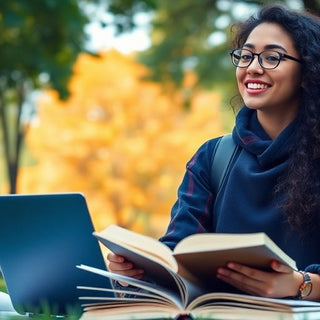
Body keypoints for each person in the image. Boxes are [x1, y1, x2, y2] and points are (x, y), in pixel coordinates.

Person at [107, 4, 320, 301]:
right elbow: (178, 252)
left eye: (272, 57)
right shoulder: (212, 157)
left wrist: (304, 284)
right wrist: (139, 269)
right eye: (246, 56)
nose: (253, 67)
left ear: (307, 72)